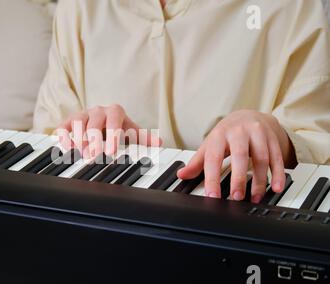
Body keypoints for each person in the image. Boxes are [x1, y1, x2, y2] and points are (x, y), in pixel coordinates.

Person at [34, 0, 330, 203]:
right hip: (103, 235)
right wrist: (84, 134)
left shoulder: (292, 8)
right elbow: (44, 145)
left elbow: (318, 140)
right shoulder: (78, 7)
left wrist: (277, 136)